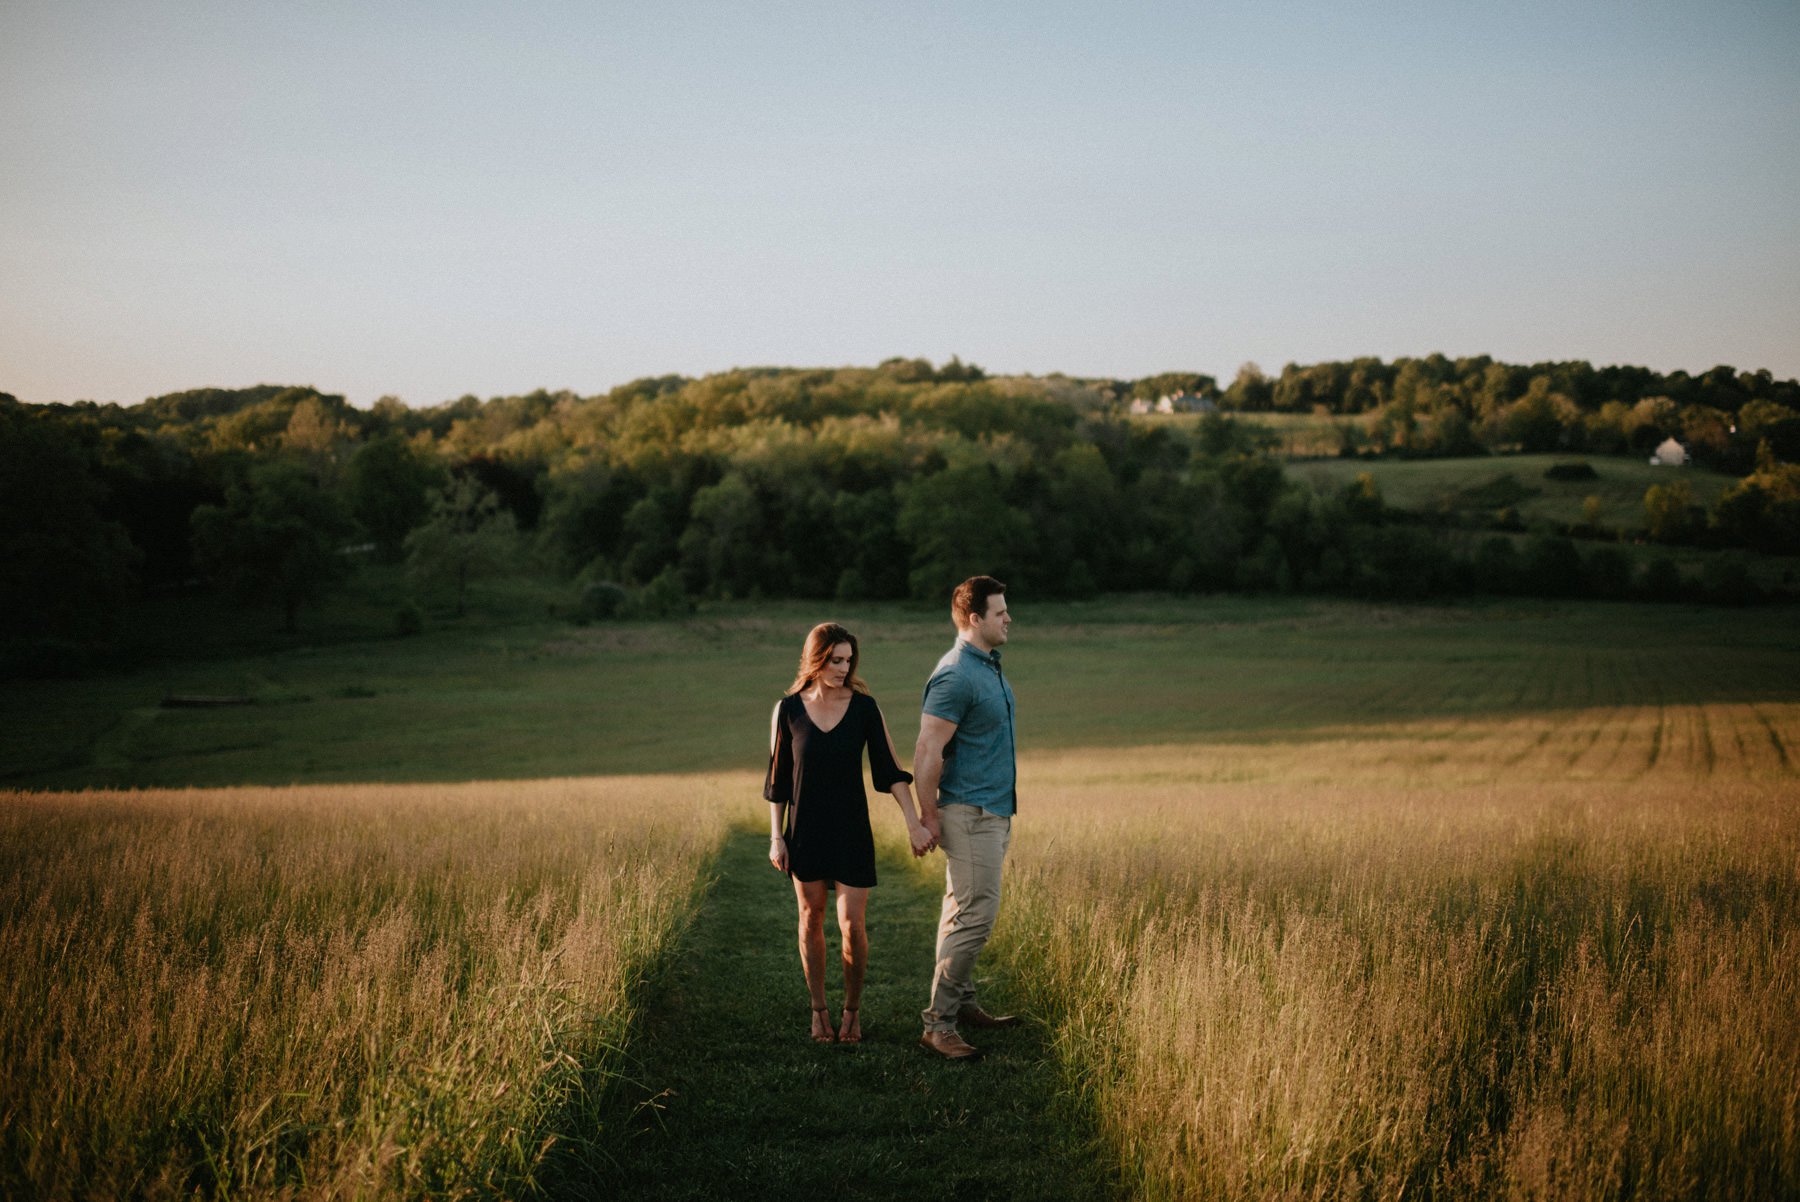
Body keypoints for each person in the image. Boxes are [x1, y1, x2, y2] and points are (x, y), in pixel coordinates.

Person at [766, 621, 935, 1044]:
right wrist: (776, 835)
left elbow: (891, 772)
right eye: (835, 660)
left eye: (848, 660)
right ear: (816, 658)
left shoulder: (864, 707)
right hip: (804, 830)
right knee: (810, 919)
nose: (843, 668)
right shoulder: (787, 709)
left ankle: (852, 1012)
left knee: (852, 926)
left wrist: (913, 823)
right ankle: (818, 1010)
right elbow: (777, 781)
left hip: (850, 830)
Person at [914, 575, 1021, 1061]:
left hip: (993, 809)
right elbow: (927, 748)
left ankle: (964, 1003)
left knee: (960, 909)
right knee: (977, 916)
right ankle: (938, 1025)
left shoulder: (988, 666)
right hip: (969, 812)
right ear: (974, 619)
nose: (1008, 618)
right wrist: (928, 816)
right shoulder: (956, 673)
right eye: (999, 612)